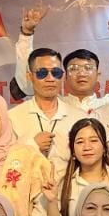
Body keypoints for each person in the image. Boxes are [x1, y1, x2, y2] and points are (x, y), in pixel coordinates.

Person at [10, 47, 87, 177]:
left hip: (68, 188)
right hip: (25, 188)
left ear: (62, 76)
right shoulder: (13, 117)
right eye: (42, 73)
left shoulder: (79, 117)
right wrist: (32, 145)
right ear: (29, 76)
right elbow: (4, 161)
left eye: (56, 73)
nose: (50, 79)